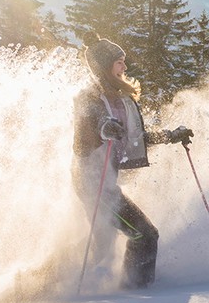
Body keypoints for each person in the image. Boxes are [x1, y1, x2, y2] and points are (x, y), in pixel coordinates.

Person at [72, 35, 194, 289]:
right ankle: (137, 294)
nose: (125, 67)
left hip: (106, 182)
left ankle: (46, 277)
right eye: (119, 62)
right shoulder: (89, 98)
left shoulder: (121, 99)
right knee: (146, 235)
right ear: (105, 66)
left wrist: (172, 136)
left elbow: (137, 137)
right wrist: (103, 129)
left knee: (101, 246)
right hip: (92, 182)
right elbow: (86, 133)